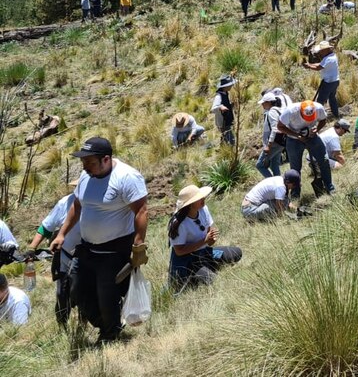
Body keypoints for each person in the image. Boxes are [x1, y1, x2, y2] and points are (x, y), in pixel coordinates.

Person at [50, 137, 148, 343]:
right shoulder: (86, 177)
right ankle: (108, 326)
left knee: (106, 295)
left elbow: (141, 210)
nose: (85, 167)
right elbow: (77, 206)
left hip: (113, 251)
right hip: (86, 249)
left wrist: (138, 245)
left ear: (106, 159)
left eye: (90, 162)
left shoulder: (126, 177)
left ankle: (110, 335)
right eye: (83, 162)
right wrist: (61, 234)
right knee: (77, 290)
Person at [168, 185, 242, 292]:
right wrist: (204, 241)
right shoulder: (179, 223)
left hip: (204, 252)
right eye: (199, 199)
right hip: (188, 261)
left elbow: (209, 240)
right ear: (190, 204)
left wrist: (211, 239)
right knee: (211, 280)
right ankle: (194, 276)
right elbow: (179, 251)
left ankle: (206, 266)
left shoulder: (203, 209)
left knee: (236, 253)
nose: (203, 199)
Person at [25, 182, 80, 325]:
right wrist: (32, 247)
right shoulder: (65, 203)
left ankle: (83, 323)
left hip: (90, 256)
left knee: (84, 294)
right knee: (62, 294)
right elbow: (46, 227)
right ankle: (62, 327)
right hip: (65, 256)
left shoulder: (101, 203)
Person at [277, 101, 333, 199]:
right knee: (295, 169)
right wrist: (297, 135)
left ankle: (329, 187)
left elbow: (323, 120)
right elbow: (280, 126)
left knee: (324, 160)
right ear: (300, 112)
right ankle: (295, 194)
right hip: (294, 140)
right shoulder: (290, 111)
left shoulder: (318, 108)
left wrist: (317, 130)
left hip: (312, 137)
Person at [304, 40, 340, 120]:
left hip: (328, 82)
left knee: (320, 100)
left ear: (326, 50)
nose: (320, 52)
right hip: (335, 81)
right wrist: (310, 65)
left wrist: (309, 66)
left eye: (321, 50)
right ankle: (336, 115)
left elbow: (318, 68)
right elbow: (320, 64)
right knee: (332, 98)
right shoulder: (332, 56)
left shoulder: (328, 59)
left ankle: (317, 117)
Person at [256, 91, 284, 178]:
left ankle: (273, 183)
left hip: (274, 143)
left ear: (268, 102)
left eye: (263, 103)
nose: (262, 105)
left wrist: (269, 145)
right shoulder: (279, 110)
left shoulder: (271, 112)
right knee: (274, 165)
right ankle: (280, 185)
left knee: (260, 165)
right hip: (281, 142)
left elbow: (274, 128)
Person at [211, 75, 236, 145]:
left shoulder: (225, 93)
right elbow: (213, 108)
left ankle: (223, 149)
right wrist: (220, 107)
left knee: (226, 137)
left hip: (227, 120)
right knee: (231, 141)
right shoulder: (218, 96)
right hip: (223, 122)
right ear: (225, 86)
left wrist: (230, 105)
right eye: (230, 85)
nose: (231, 86)